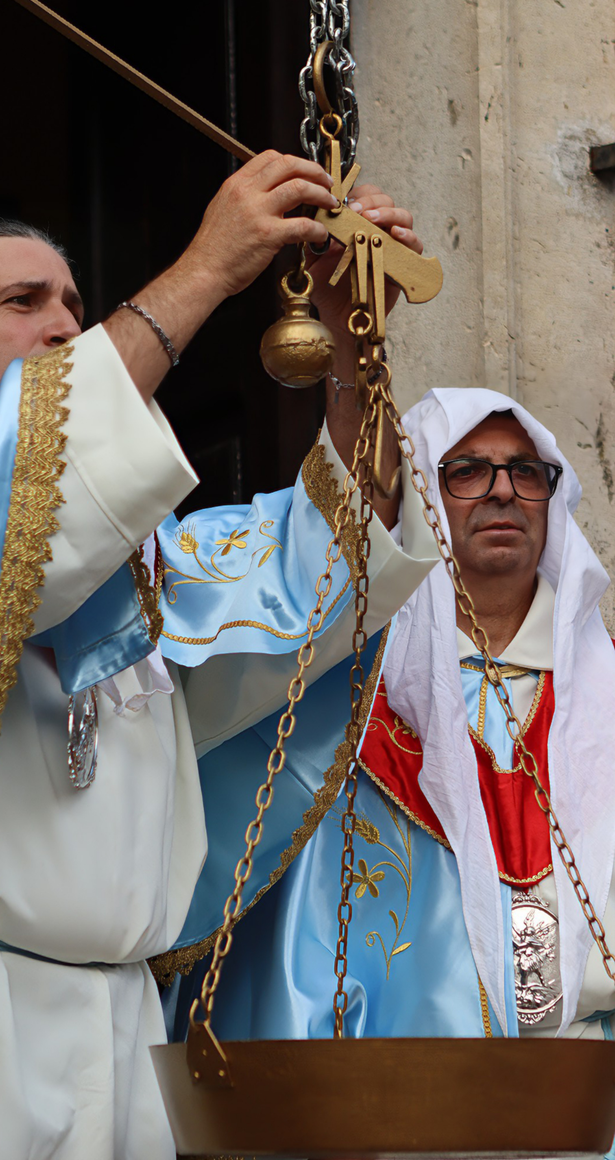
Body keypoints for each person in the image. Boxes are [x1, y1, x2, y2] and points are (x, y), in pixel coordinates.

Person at [0, 152, 436, 1160]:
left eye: (74, 304)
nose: (64, 325)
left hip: (119, 1028)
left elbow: (331, 566)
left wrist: (353, 339)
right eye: (23, 302)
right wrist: (209, 269)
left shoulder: (145, 562)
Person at [167, 386, 615, 1058]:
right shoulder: (341, 697)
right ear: (419, 497)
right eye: (467, 471)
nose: (503, 490)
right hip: (400, 1080)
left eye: (526, 471)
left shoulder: (605, 690)